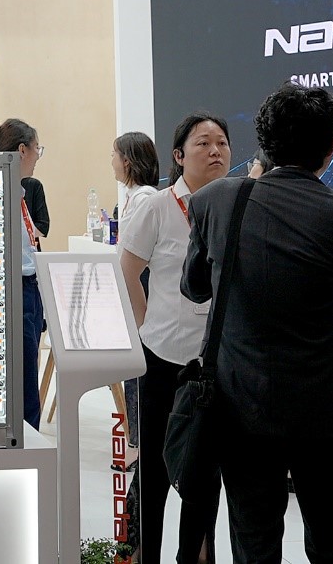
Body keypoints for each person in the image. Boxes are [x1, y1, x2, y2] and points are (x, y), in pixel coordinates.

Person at [182, 84, 333, 563]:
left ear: (263, 143)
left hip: (241, 400)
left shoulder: (214, 201)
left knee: (254, 541)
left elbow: (195, 288)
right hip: (325, 405)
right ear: (330, 148)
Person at [118, 112, 230, 564]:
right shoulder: (158, 207)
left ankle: (195, 557)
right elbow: (128, 271)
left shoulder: (233, 206)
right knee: (155, 471)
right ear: (179, 155)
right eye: (203, 143)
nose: (215, 151)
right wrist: (147, 324)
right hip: (163, 358)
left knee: (204, 476)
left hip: (215, 365)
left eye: (222, 142)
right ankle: (145, 554)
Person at [0, 118, 45, 430]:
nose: (37, 157)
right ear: (22, 150)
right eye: (37, 149)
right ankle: (26, 443)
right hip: (15, 291)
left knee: (27, 373)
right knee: (23, 384)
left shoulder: (19, 193)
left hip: (29, 289)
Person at [110, 131, 160, 472]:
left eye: (114, 155)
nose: (111, 162)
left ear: (127, 160)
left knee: (138, 368)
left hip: (141, 285)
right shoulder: (131, 197)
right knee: (132, 367)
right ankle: (136, 441)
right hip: (132, 284)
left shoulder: (145, 199)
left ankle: (139, 444)